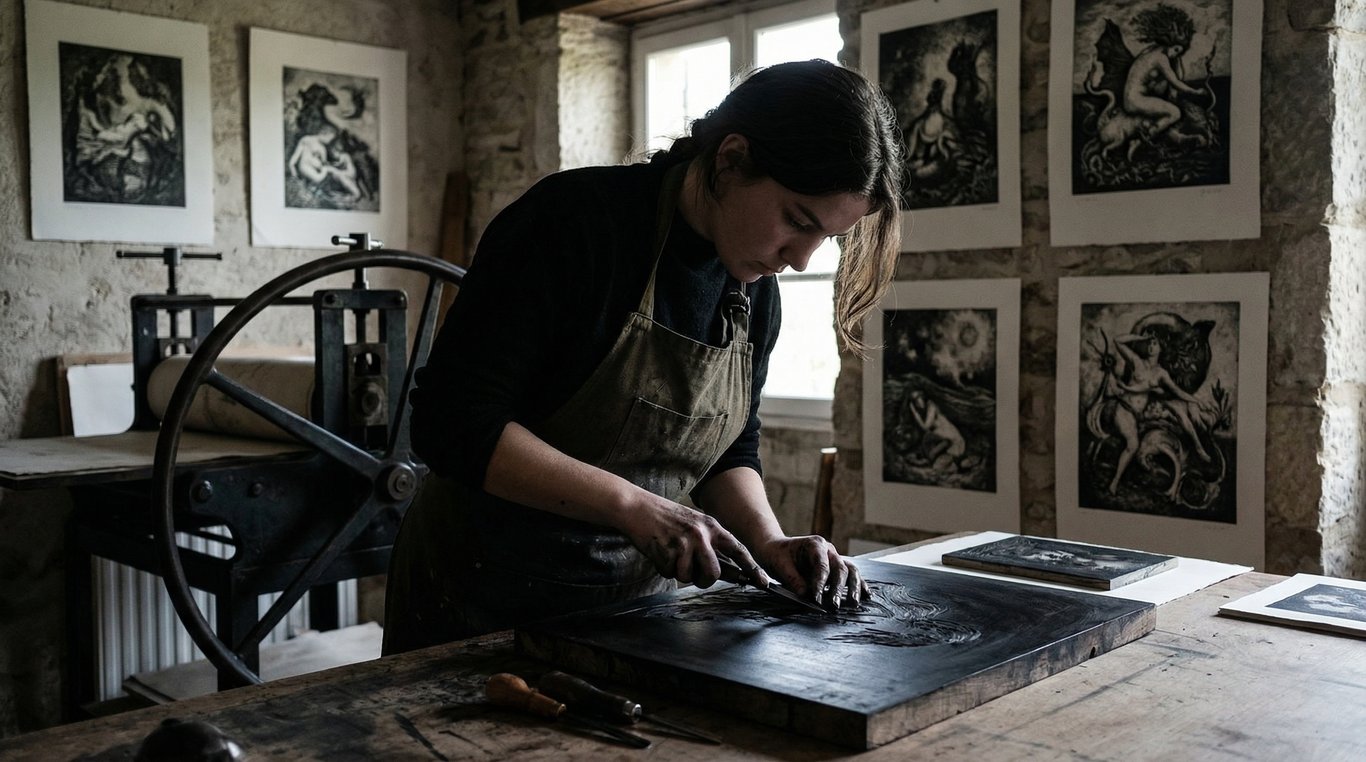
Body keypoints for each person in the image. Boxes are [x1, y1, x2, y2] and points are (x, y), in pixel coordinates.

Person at [382, 59, 904, 655]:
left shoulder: (754, 295)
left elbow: (727, 446)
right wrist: (634, 507)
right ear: (731, 159)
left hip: (634, 613)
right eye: (796, 220)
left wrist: (768, 541)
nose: (802, 259)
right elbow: (452, 423)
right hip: (478, 598)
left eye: (825, 239)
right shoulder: (573, 224)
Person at [1104, 333, 1211, 495]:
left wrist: (1196, 401)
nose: (1150, 346)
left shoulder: (1161, 374)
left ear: (1161, 348)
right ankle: (1114, 483)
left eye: (1154, 344)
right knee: (1132, 445)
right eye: (1149, 343)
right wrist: (1139, 337)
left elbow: (1177, 391)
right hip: (1124, 409)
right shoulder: (1136, 361)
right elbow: (1117, 340)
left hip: (1136, 416)